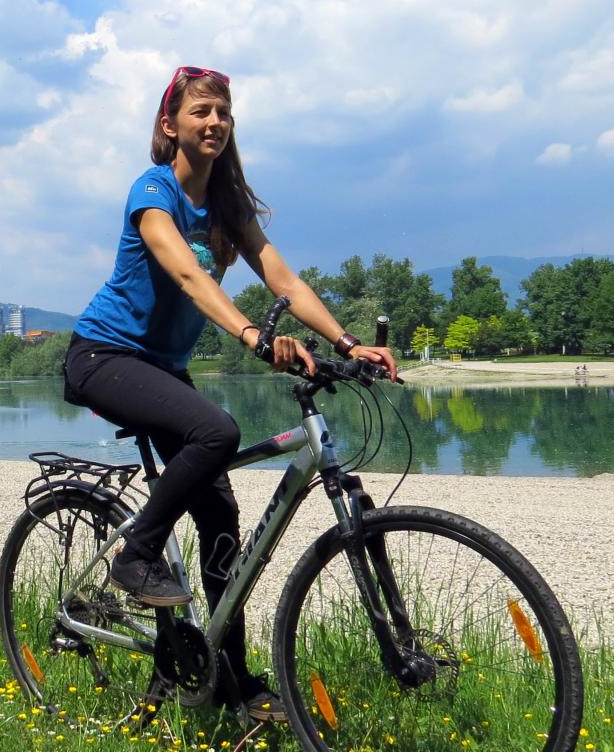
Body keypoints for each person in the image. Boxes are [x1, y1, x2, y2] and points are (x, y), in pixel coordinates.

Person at [63, 65, 397, 722]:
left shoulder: (227, 207)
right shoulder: (152, 191)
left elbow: (283, 279)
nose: (215, 122)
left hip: (162, 368)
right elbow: (187, 275)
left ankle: (231, 681)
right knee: (216, 431)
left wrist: (348, 342)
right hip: (104, 356)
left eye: (224, 112)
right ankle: (135, 560)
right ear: (170, 126)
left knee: (220, 522)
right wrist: (251, 335)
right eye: (201, 112)